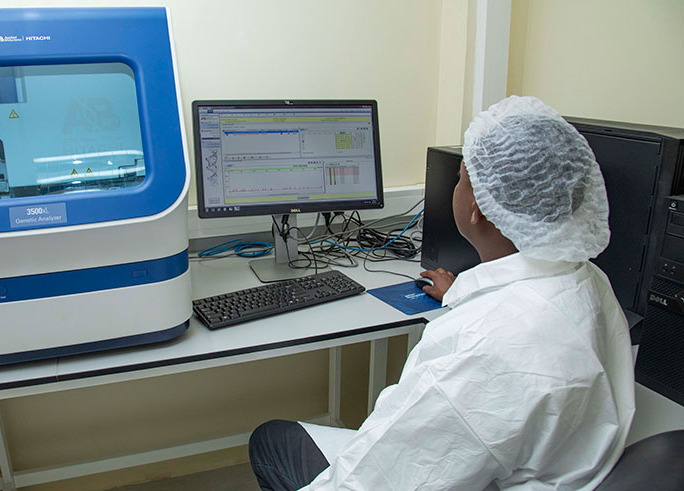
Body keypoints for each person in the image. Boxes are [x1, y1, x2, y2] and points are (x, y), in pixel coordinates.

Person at [248, 96, 635, 490]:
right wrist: (462, 291)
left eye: (461, 178)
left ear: (476, 210)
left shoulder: (482, 346)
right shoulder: (587, 281)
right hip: (542, 470)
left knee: (272, 440)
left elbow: (380, 479)